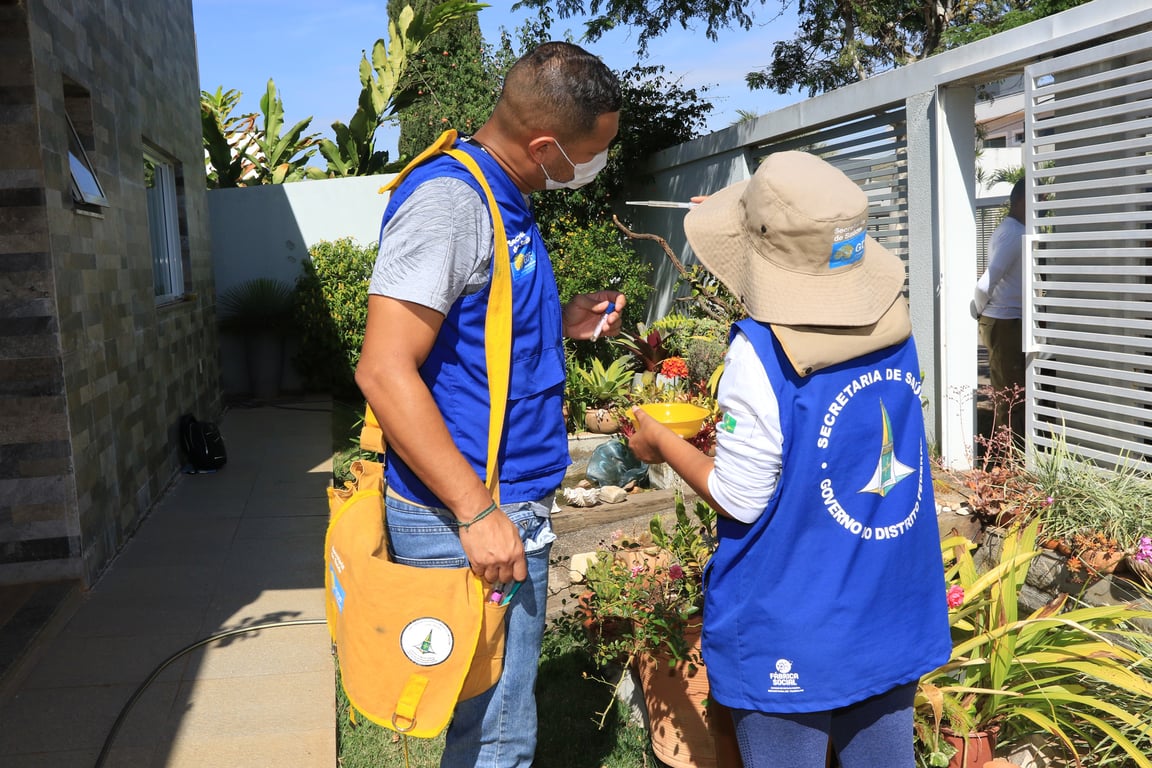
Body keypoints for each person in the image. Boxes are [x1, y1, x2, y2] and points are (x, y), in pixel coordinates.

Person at [627, 151, 952, 768]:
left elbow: (742, 497)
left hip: (793, 618)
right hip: (887, 602)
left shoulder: (759, 354)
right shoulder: (894, 323)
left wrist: (661, 444)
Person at [354, 42, 624, 768]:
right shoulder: (452, 201)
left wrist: (558, 321)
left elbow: (472, 331)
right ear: (544, 145)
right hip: (468, 511)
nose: (595, 168)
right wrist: (477, 513)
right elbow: (383, 370)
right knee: (496, 738)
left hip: (502, 501)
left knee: (494, 719)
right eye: (590, 154)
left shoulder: (505, 196)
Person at [973, 178, 1027, 441]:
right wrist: (979, 310)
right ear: (1022, 201)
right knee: (1011, 393)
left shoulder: (1007, 229)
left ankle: (1007, 452)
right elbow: (985, 283)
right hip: (1005, 321)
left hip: (1005, 320)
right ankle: (1010, 458)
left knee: (1008, 391)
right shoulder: (1015, 234)